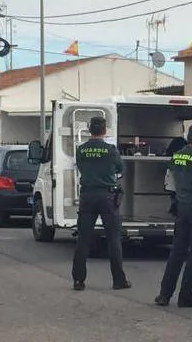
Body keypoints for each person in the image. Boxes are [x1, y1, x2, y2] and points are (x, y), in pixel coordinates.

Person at [154, 125, 192, 307]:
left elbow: (170, 182)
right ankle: (186, 295)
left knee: (177, 252)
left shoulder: (177, 155)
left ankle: (164, 294)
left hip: (182, 208)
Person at [71, 116, 131, 291]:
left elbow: (81, 168)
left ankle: (78, 280)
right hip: (107, 196)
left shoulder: (81, 150)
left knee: (83, 239)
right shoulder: (110, 150)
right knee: (113, 239)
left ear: (90, 130)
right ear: (105, 131)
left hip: (87, 196)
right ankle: (118, 280)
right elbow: (121, 169)